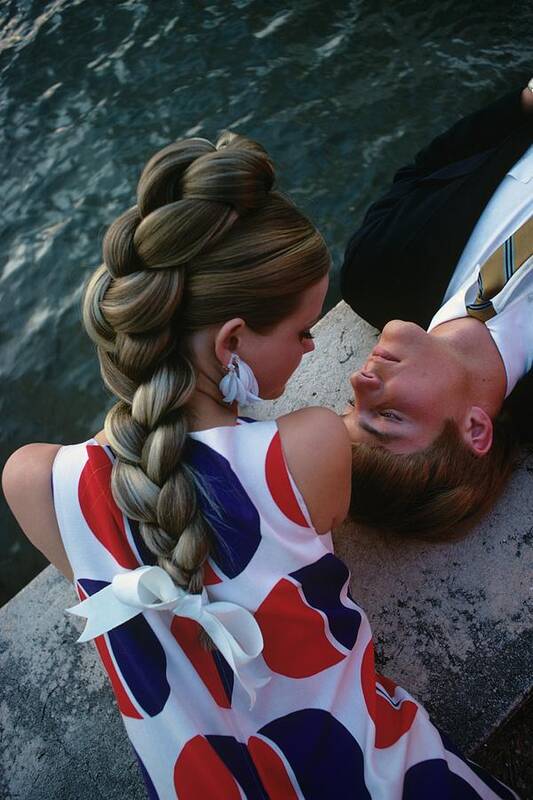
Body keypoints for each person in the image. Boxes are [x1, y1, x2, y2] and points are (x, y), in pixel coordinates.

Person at [3, 133, 516, 798]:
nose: (312, 347)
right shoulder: (306, 451)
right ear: (231, 342)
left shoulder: (35, 480)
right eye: (304, 329)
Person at [341, 80, 533, 538]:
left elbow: (430, 166)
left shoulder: (376, 271)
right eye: (388, 416)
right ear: (474, 430)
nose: (360, 380)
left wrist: (524, 100)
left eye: (352, 404)